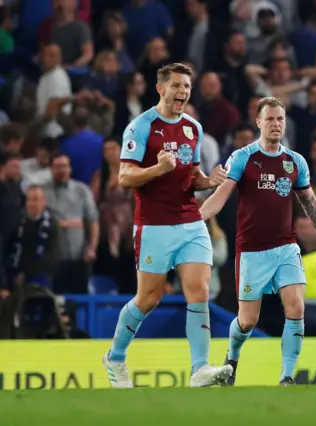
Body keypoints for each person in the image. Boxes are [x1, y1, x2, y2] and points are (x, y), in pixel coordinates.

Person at [199, 96, 316, 386]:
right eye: (270, 118)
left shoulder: (295, 162)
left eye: (280, 119)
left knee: (296, 307)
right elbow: (222, 194)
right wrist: (198, 218)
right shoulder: (243, 157)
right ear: (259, 122)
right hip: (251, 251)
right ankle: (231, 358)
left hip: (286, 247)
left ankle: (287, 377)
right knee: (247, 321)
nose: (275, 124)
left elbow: (312, 205)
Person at [102, 63, 231, 389]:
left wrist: (209, 181)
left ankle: (200, 368)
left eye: (187, 86)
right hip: (154, 224)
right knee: (148, 299)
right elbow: (124, 178)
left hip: (190, 219)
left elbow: (192, 177)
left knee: (199, 292)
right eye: (176, 86)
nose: (183, 92)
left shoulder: (193, 128)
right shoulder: (141, 127)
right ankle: (115, 357)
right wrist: (157, 169)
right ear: (161, 89)